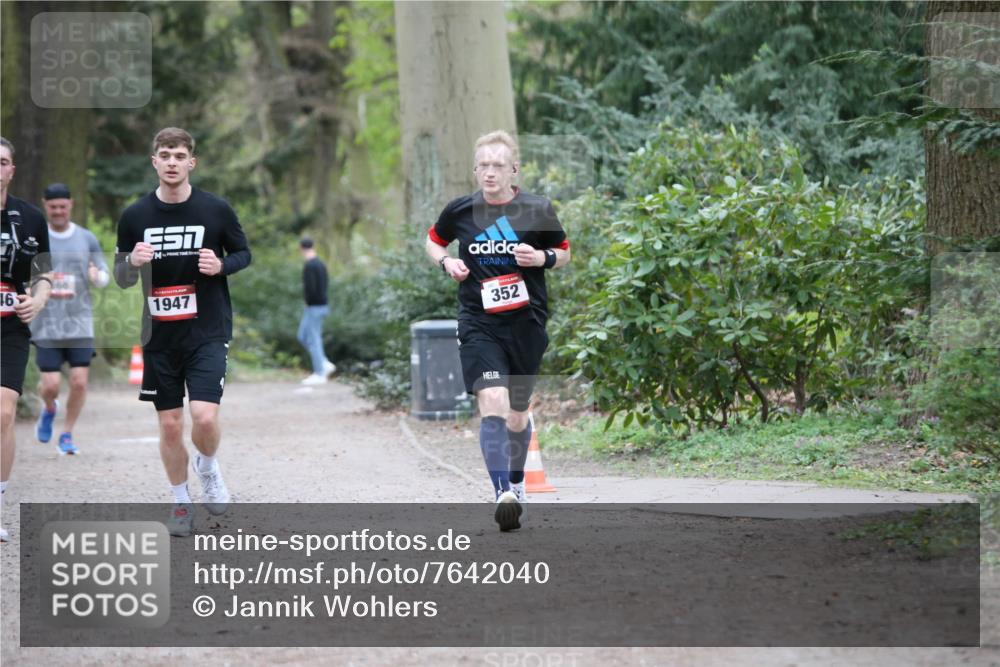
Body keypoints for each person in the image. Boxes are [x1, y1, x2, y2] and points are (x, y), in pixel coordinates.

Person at [425, 130, 570, 531]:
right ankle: (501, 492)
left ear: (513, 170)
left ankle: (519, 483)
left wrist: (541, 257)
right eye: (483, 165)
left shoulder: (537, 209)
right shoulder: (460, 211)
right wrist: (446, 263)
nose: (489, 172)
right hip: (478, 322)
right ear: (475, 169)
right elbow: (433, 241)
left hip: (526, 324)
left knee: (518, 415)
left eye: (497, 166)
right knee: (491, 399)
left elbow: (564, 253)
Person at [114, 127, 251, 538]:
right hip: (160, 336)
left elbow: (244, 252)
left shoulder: (216, 210)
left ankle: (207, 466)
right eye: (164, 155)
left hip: (207, 330)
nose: (172, 162)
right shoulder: (135, 216)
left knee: (204, 418)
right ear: (154, 162)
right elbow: (120, 277)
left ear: (191, 162)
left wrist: (222, 266)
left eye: (179, 155)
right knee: (171, 425)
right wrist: (132, 263)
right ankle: (179, 502)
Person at [31, 183, 110, 455]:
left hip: (79, 323)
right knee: (51, 385)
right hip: (47, 324)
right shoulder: (37, 236)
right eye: (53, 207)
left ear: (71, 205)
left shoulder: (86, 238)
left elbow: (104, 275)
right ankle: (49, 408)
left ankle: (66, 434)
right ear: (45, 206)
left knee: (79, 382)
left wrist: (95, 277)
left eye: (63, 207)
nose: (58, 212)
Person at [1, 137, 53, 542]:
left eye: (2, 162)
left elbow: (45, 275)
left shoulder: (32, 218)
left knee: (3, 413)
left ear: (11, 170)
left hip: (10, 326)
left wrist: (36, 300)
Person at [297, 237, 335, 385]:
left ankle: (320, 373)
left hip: (314, 307)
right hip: (320, 306)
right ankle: (324, 363)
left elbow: (311, 289)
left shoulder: (310, 266)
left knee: (313, 338)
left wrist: (309, 301)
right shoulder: (321, 264)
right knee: (302, 336)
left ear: (301, 248)